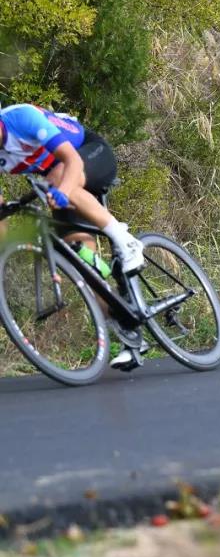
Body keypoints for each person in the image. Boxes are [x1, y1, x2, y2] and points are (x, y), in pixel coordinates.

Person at [0, 103, 148, 369]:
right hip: (57, 178)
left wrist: (63, 191)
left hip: (89, 154)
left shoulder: (20, 118)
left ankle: (125, 240)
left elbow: (73, 161)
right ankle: (130, 332)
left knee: (57, 178)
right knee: (82, 262)